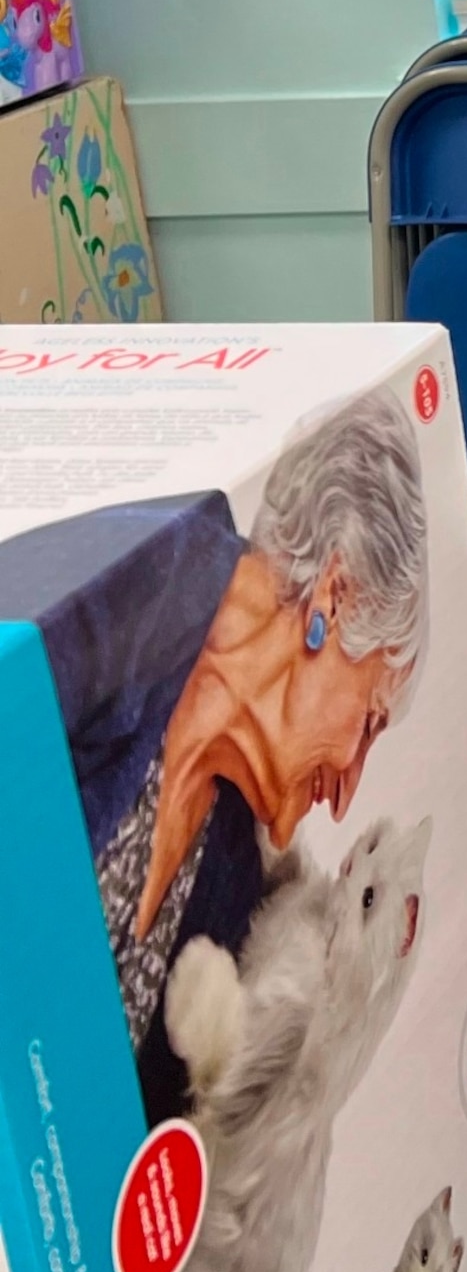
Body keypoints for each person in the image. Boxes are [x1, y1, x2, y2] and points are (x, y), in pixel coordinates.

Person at [0, 389, 429, 1118]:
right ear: (335, 594)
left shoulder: (231, 869)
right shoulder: (135, 583)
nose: (346, 792)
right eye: (368, 725)